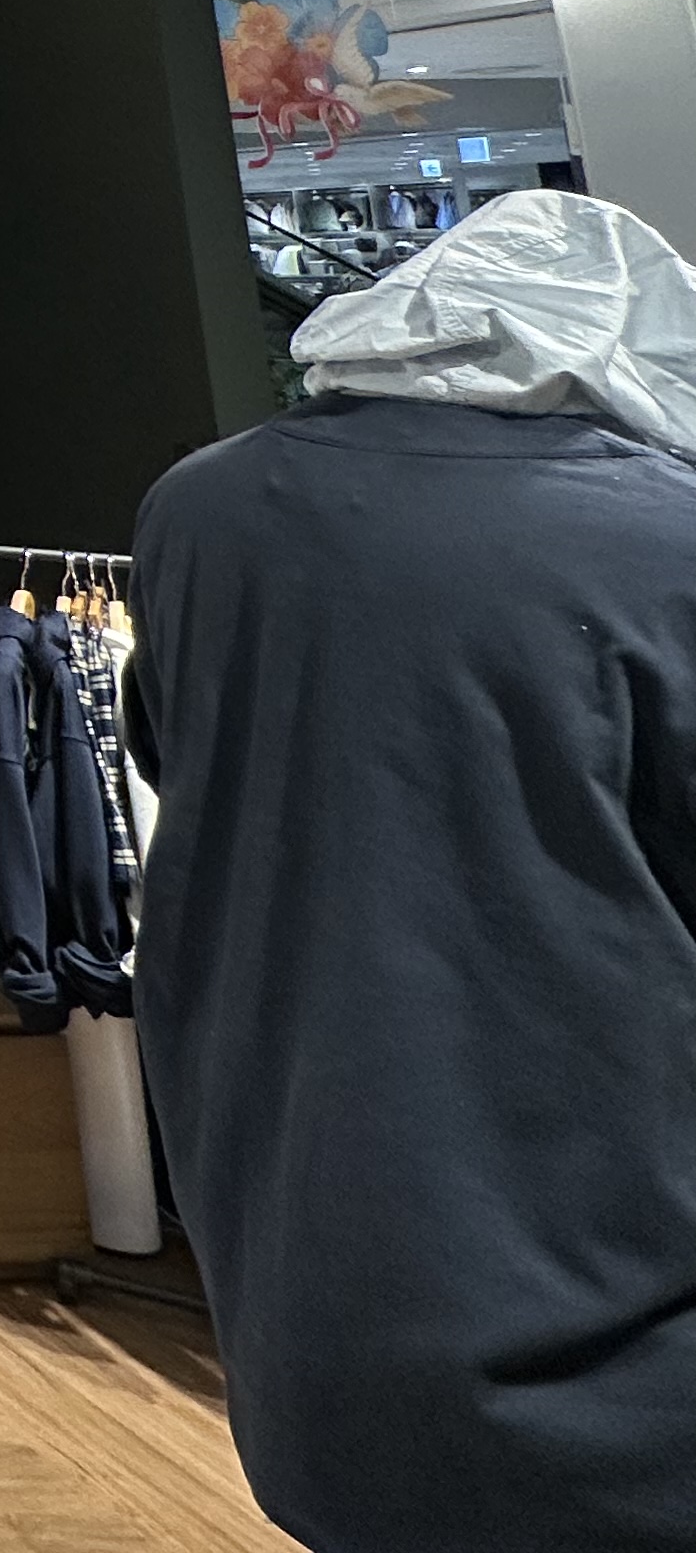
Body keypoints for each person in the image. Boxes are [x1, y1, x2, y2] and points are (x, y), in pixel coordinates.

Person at [131, 189, 696, 1553]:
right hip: (625, 1309)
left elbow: (167, 751)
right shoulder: (660, 542)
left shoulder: (200, 513)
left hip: (304, 1274)